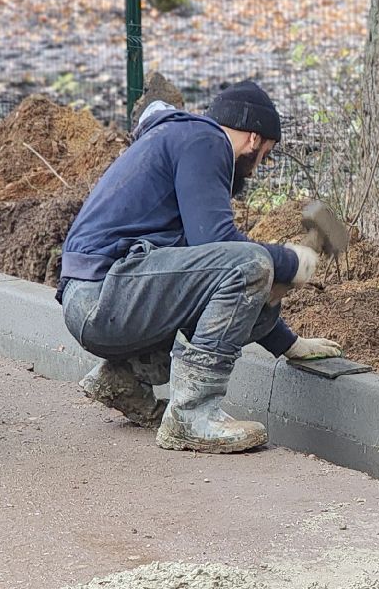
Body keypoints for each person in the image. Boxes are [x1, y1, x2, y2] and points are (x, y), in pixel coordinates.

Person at [56, 76, 342, 453]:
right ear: (254, 139)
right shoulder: (204, 140)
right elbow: (220, 245)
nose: (257, 168)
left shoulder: (178, 140)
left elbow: (206, 276)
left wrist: (287, 343)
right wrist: (292, 260)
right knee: (249, 263)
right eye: (266, 154)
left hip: (97, 300)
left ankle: (127, 378)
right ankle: (192, 416)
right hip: (105, 295)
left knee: (245, 269)